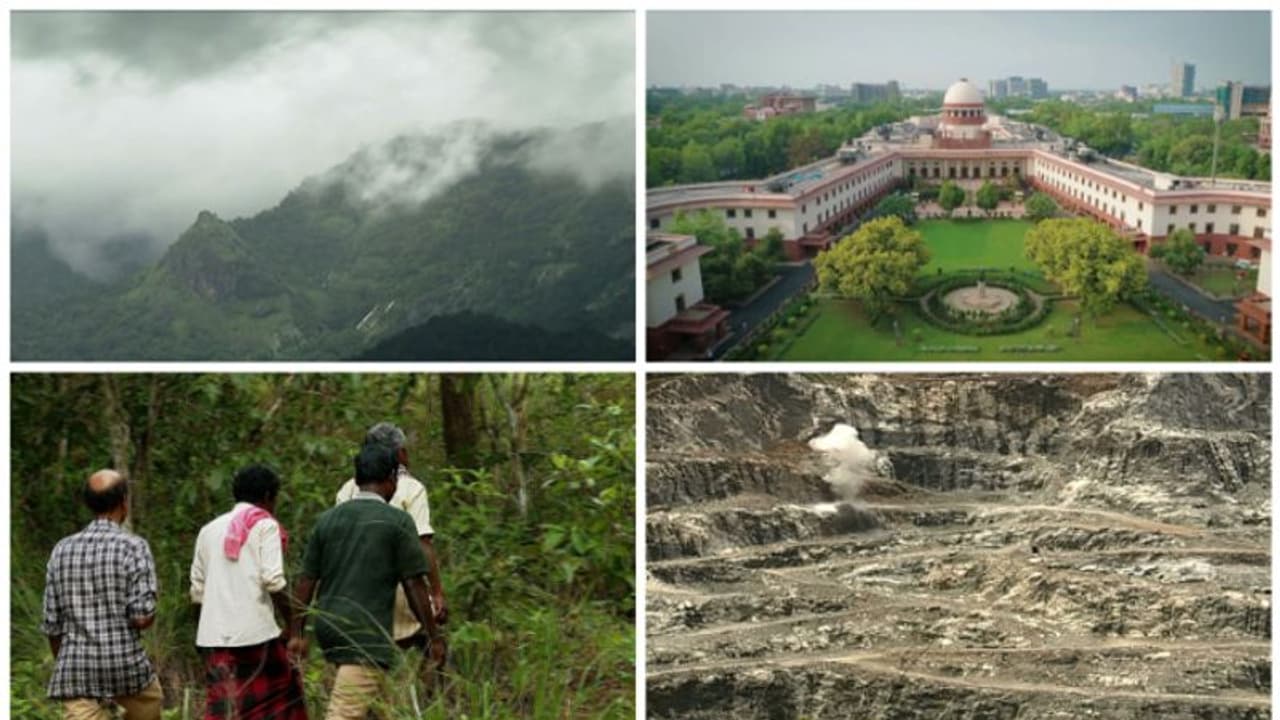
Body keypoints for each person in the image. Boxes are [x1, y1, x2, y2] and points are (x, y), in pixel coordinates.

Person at [293, 444, 446, 720]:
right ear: (392, 480)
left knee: (378, 709)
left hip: (328, 628)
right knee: (344, 713)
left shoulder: (327, 521)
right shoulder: (397, 522)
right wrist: (433, 636)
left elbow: (306, 581)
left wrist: (297, 632)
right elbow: (414, 585)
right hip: (364, 633)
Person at [42, 469, 163, 720]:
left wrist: (68, 661)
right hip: (126, 667)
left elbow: (52, 625)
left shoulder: (61, 549)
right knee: (149, 701)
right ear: (124, 503)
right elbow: (142, 618)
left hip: (76, 669)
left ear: (88, 504)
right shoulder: (134, 546)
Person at [190, 464, 307, 719]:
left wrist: (202, 643)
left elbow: (197, 594)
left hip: (214, 641)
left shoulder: (208, 531)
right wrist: (295, 628)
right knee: (285, 701)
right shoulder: (266, 525)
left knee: (225, 710)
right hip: (256, 639)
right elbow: (274, 581)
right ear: (268, 497)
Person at [335, 422, 448, 637]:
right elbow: (423, 544)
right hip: (403, 591)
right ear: (402, 454)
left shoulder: (347, 490)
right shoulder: (412, 489)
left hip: (355, 591)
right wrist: (436, 592)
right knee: (430, 642)